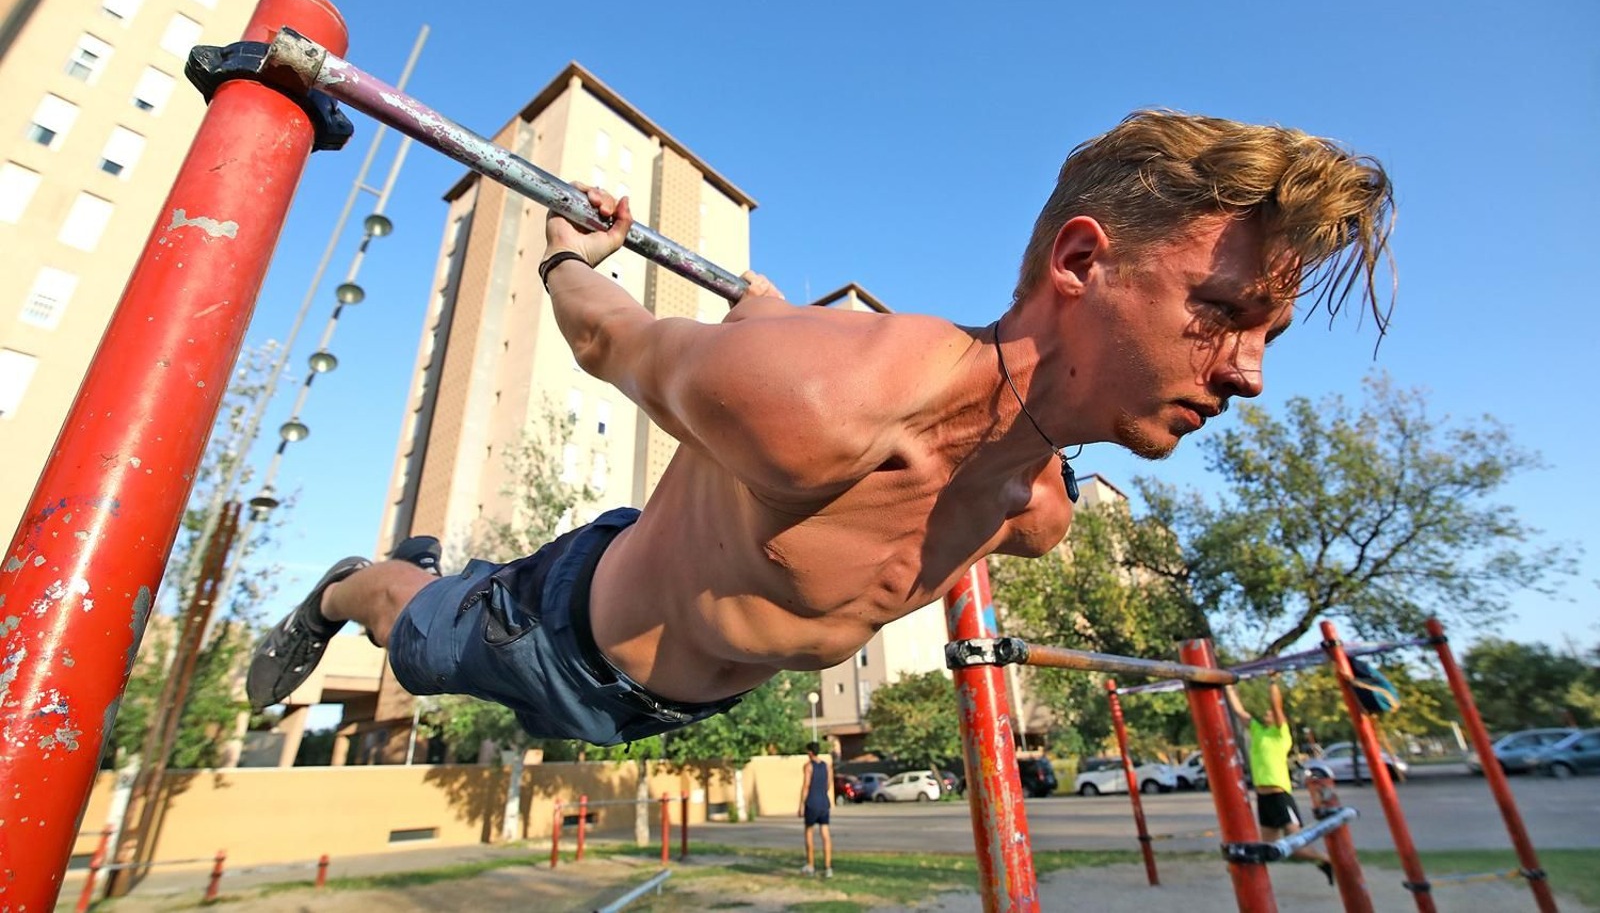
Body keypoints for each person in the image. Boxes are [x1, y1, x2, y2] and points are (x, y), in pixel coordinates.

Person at [248, 110, 1396, 750]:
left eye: (1269, 337)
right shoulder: (822, 401)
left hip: (690, 697)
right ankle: (361, 581)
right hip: (557, 641)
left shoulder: (1038, 510)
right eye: (1223, 314)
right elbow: (611, 342)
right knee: (412, 632)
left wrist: (772, 315)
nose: (1246, 374)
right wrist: (564, 254)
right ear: (1083, 262)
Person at [1226, 672, 1335, 885]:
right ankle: (1249, 881)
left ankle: (1328, 861)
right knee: (1266, 849)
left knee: (1297, 847)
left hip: (1280, 796)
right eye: (1266, 712)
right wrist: (1228, 687)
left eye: (1271, 713)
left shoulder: (1280, 734)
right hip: (1264, 798)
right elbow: (1239, 711)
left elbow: (1277, 706)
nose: (1268, 713)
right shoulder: (1258, 732)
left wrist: (1272, 681)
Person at [797, 741, 834, 877]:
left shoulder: (808, 766)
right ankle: (828, 867)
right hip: (824, 802)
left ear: (809, 752)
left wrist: (801, 804)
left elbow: (806, 785)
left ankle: (811, 865)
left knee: (809, 833)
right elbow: (828, 784)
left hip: (812, 802)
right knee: (825, 834)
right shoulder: (826, 766)